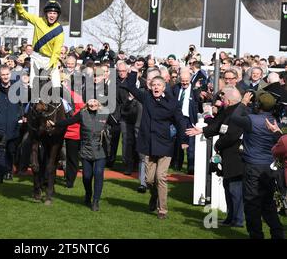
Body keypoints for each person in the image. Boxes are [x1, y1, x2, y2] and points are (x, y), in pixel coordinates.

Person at [122, 76, 188, 219]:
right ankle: (154, 195)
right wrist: (134, 70)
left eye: (159, 85)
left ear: (164, 87)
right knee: (150, 180)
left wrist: (184, 139)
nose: (156, 87)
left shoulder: (172, 102)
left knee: (161, 177)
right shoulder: (146, 98)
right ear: (150, 87)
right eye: (154, 85)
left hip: (165, 143)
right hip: (148, 143)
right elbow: (130, 86)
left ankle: (162, 210)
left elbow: (180, 121)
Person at [186, 86, 245, 227]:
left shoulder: (240, 112)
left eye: (223, 98)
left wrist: (218, 144)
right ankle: (231, 218)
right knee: (228, 187)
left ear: (229, 100)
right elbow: (218, 126)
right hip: (227, 156)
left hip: (236, 158)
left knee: (235, 190)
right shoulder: (229, 110)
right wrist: (202, 130)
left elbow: (231, 135)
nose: (221, 100)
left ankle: (238, 220)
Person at [231, 91, 285, 239]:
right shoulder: (275, 121)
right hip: (269, 167)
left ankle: (256, 235)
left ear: (257, 105)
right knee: (268, 203)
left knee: (251, 203)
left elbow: (234, 117)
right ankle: (277, 232)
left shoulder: (251, 120)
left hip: (253, 167)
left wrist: (243, 103)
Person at [48, 99, 112, 211]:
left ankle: (95, 201)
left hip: (100, 151)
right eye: (90, 102)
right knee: (87, 177)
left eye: (95, 102)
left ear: (98, 104)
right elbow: (69, 121)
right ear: (87, 104)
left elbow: (117, 123)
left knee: (98, 173)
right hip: (86, 151)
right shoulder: (82, 114)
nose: (92, 104)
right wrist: (55, 124)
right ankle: (88, 194)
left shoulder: (105, 114)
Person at [14, 0, 63, 92]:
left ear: (57, 15)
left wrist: (49, 67)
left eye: (54, 13)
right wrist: (17, 2)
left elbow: (56, 52)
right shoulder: (38, 21)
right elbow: (22, 13)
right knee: (32, 86)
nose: (52, 15)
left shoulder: (59, 30)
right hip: (36, 57)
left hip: (50, 59)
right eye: (50, 13)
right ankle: (27, 106)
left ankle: (67, 106)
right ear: (46, 14)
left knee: (57, 86)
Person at [0, 65, 23, 183]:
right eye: (3, 74)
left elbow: (23, 104)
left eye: (7, 74)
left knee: (10, 151)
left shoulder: (17, 89)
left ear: (11, 74)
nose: (5, 77)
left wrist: (21, 117)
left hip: (14, 126)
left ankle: (8, 171)